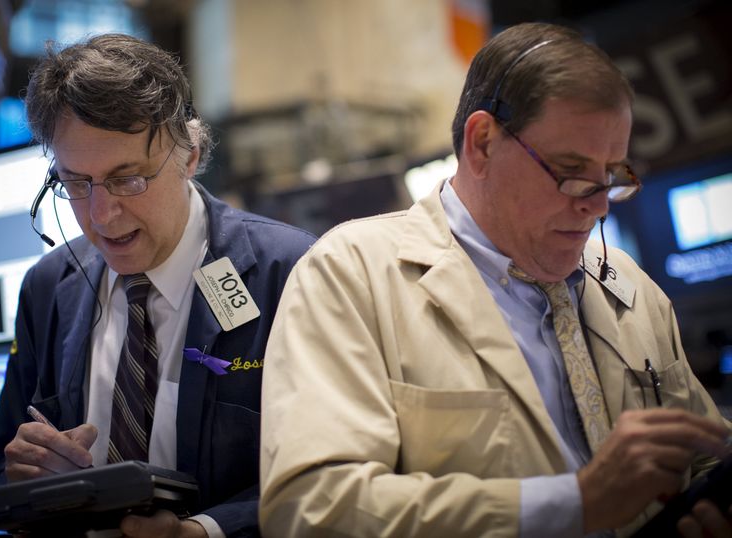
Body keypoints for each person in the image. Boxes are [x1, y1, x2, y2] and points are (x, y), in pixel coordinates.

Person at [259, 22, 731, 537]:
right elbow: (311, 510)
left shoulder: (629, 284)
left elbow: (705, 457)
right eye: (570, 170)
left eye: (611, 175)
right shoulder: (351, 275)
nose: (596, 206)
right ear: (482, 142)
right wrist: (570, 504)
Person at [0, 34, 314, 538]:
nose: (101, 215)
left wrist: (204, 531)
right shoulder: (48, 288)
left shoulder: (292, 273)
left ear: (190, 154)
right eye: (75, 183)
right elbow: (1, 472)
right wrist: (22, 474)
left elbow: (328, 470)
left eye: (128, 178)